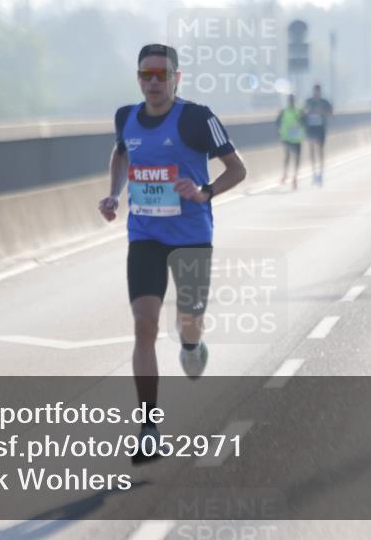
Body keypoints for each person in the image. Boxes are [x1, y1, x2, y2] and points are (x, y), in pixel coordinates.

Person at [98, 44, 247, 464]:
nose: (153, 82)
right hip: (145, 234)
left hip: (191, 235)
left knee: (190, 323)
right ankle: (148, 428)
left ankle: (191, 343)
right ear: (138, 77)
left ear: (176, 78)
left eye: (162, 75)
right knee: (144, 326)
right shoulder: (125, 117)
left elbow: (238, 168)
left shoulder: (198, 118)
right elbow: (122, 153)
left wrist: (204, 192)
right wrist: (113, 195)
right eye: (146, 74)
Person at [303, 84, 333, 186]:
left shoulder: (325, 102)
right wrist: (309, 113)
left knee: (320, 151)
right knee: (311, 150)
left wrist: (322, 112)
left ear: (320, 92)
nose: (317, 93)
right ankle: (314, 173)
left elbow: (331, 114)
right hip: (311, 128)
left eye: (318, 91)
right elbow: (303, 113)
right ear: (313, 91)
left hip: (320, 128)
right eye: (315, 91)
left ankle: (320, 174)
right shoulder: (309, 102)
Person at [276, 93, 304, 190]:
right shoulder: (284, 111)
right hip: (287, 138)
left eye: (292, 100)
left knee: (296, 158)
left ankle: (294, 177)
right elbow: (277, 122)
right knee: (287, 156)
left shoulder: (299, 111)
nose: (291, 101)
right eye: (290, 100)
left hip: (296, 138)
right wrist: (279, 132)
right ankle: (286, 174)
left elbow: (304, 121)